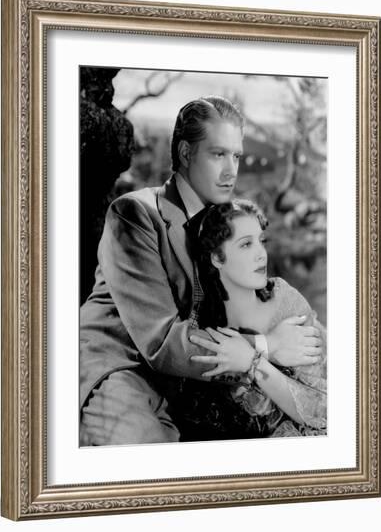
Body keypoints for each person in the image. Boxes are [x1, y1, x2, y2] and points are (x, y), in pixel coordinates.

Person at [79, 95, 323, 446]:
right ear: (185, 153)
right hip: (123, 364)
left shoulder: (227, 220)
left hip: (192, 379)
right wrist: (266, 346)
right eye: (218, 154)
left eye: (236, 156)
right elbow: (160, 341)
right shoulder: (134, 214)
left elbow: (256, 295)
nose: (231, 171)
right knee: (151, 453)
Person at [185, 199, 326, 438]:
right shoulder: (197, 323)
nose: (261, 254)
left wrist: (253, 361)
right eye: (246, 245)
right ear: (217, 258)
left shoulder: (286, 301)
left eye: (261, 241)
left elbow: (320, 411)